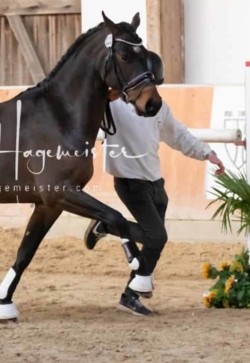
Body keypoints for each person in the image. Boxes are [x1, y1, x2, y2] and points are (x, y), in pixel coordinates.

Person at [84, 88, 226, 316]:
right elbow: (86, 107)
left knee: (154, 243)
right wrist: (102, 96)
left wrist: (207, 153)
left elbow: (178, 134)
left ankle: (130, 296)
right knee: (157, 236)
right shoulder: (112, 104)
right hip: (129, 183)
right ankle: (108, 226)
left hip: (155, 183)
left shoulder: (157, 107)